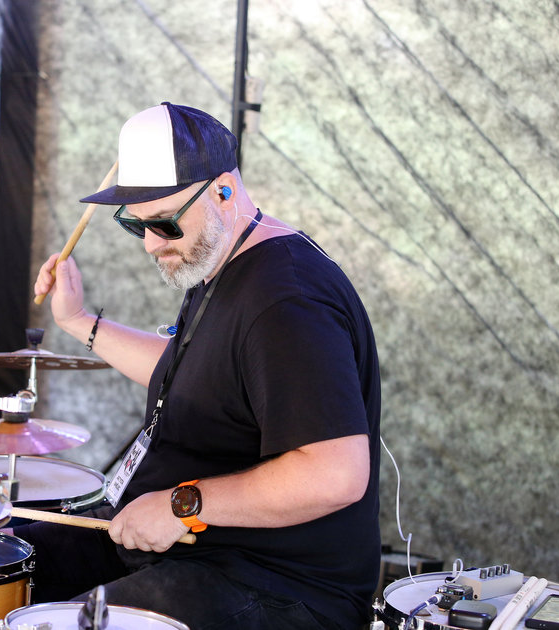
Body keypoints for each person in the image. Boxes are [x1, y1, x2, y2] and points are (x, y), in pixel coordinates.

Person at [20, 102, 381, 630]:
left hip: (274, 583)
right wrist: (79, 321)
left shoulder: (287, 300)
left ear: (224, 192)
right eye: (135, 225)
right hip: (184, 544)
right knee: (6, 558)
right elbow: (191, 374)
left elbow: (335, 475)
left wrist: (181, 504)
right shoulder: (223, 257)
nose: (151, 244)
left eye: (165, 223)